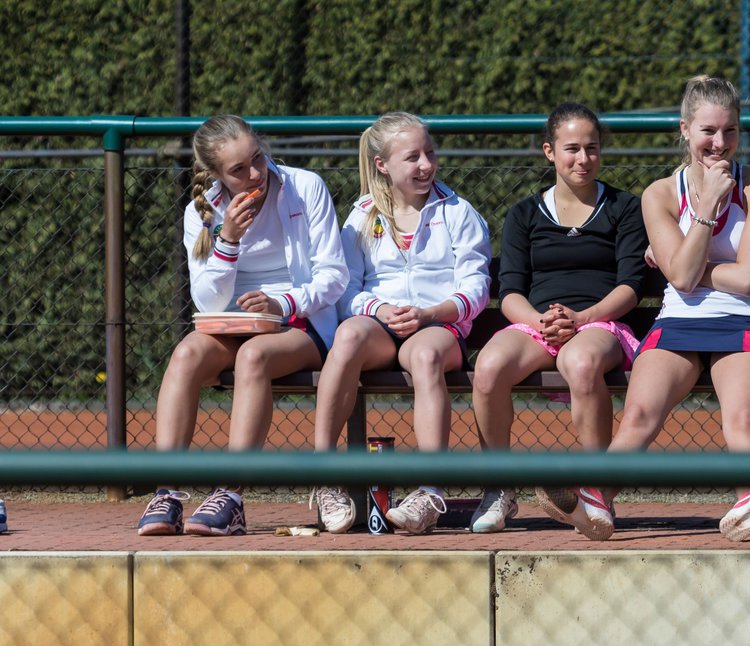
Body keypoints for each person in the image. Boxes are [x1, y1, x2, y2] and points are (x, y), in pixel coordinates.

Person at [543, 75, 750, 542]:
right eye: (708, 132)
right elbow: (680, 279)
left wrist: (688, 262)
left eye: (730, 131)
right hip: (678, 320)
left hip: (744, 319)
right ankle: (594, 506)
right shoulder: (659, 193)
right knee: (638, 418)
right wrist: (706, 217)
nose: (719, 143)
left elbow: (748, 278)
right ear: (684, 129)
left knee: (739, 417)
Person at [137, 115, 347, 536]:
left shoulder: (306, 187)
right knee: (186, 354)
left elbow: (334, 275)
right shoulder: (201, 212)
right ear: (215, 175)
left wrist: (282, 302)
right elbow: (207, 301)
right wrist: (228, 240)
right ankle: (167, 493)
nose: (256, 173)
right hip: (233, 324)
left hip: (300, 323)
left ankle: (230, 496)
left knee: (254, 357)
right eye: (239, 170)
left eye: (258, 158)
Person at [309, 112, 491, 535]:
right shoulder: (361, 216)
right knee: (349, 334)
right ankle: (325, 477)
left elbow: (477, 288)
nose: (426, 164)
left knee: (425, 354)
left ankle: (430, 492)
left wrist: (431, 313)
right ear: (382, 166)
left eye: (430, 153)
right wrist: (377, 309)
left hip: (437, 327)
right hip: (380, 327)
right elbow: (346, 287)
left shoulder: (459, 212)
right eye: (413, 157)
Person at [470, 102, 648, 534]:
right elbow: (509, 290)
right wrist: (539, 322)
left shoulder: (625, 207)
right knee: (489, 366)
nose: (583, 159)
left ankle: (595, 493)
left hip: (601, 323)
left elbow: (630, 287)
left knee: (581, 363)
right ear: (550, 152)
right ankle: (498, 489)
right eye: (571, 149)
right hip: (537, 325)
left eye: (592, 148)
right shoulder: (524, 214)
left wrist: (582, 317)